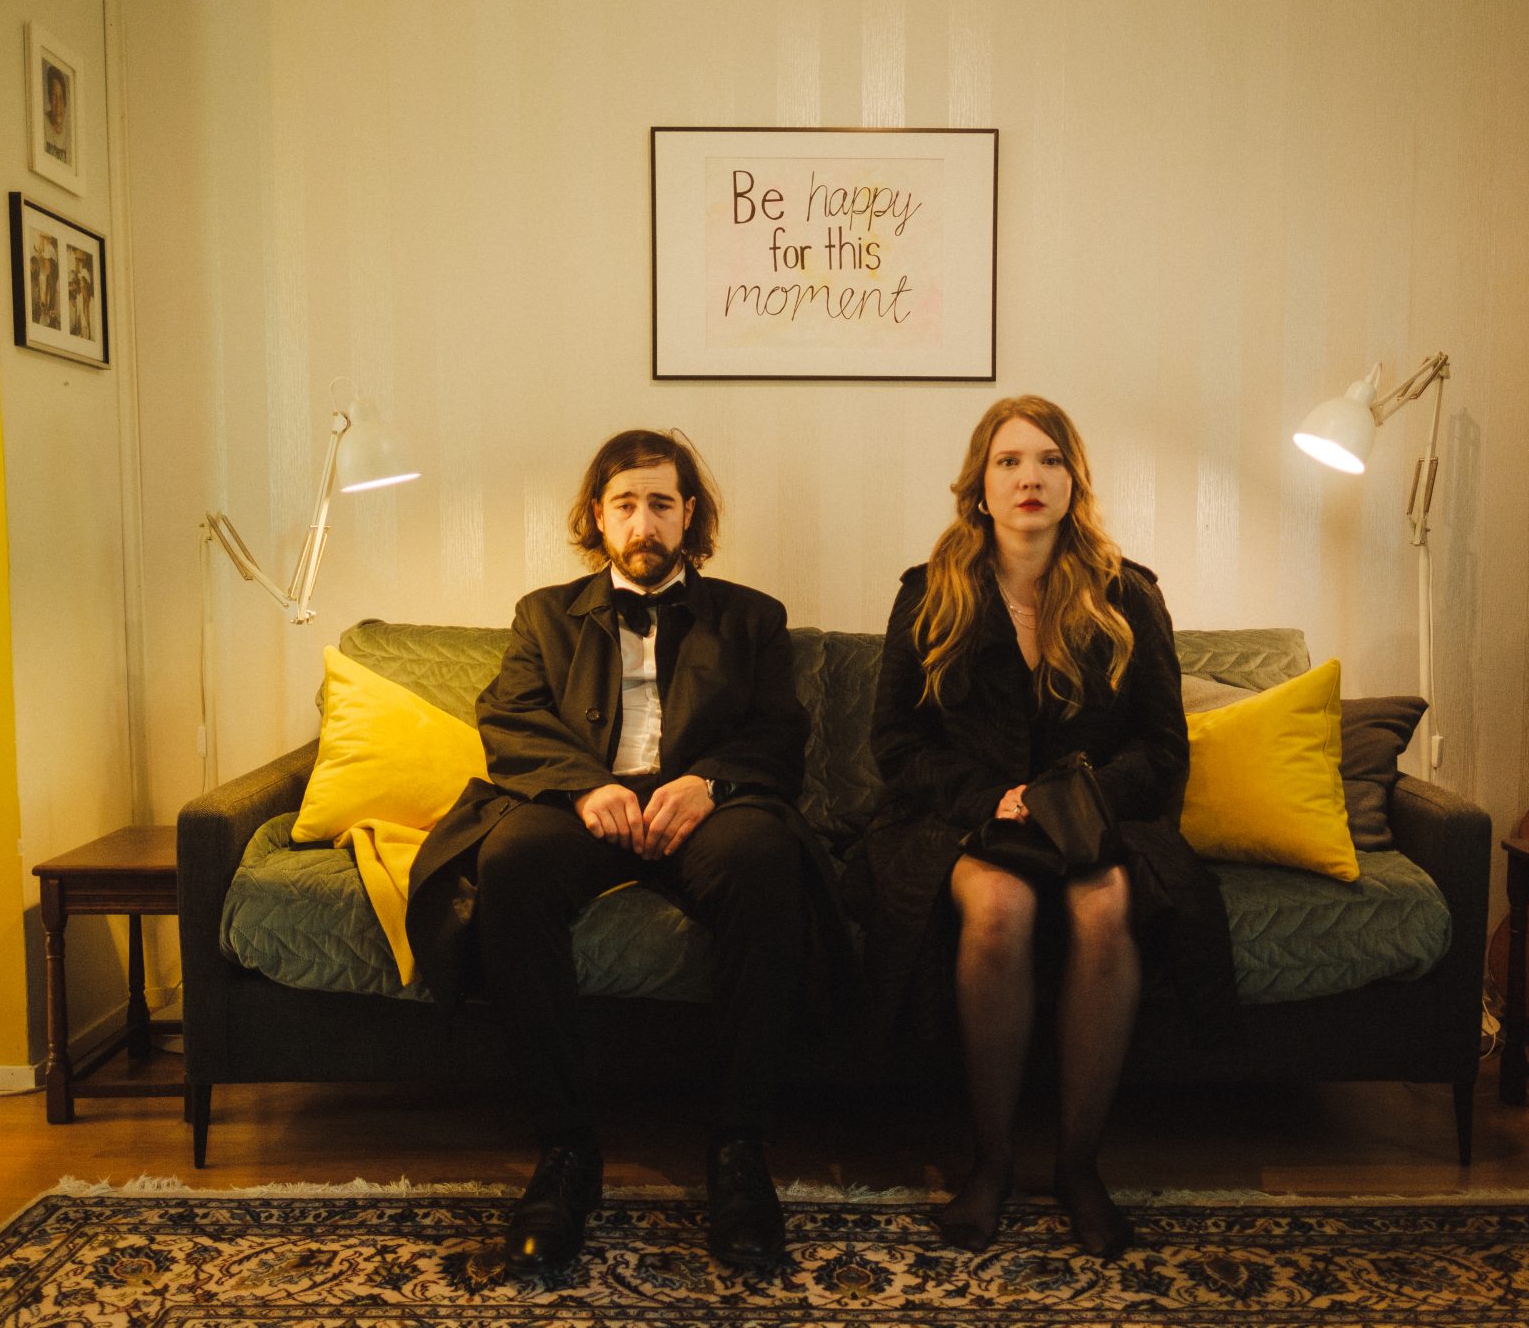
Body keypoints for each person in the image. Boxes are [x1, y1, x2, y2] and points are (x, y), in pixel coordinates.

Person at [406, 429, 844, 1276]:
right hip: (585, 805)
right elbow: (509, 718)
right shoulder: (542, 614)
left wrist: (708, 782)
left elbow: (779, 734)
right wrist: (583, 785)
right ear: (598, 517)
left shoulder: (754, 617)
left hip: (705, 808)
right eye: (626, 504)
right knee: (510, 862)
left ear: (689, 515)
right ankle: (566, 1149)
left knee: (765, 861)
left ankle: (739, 1149)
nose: (644, 523)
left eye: (661, 504)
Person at [858, 395, 1236, 1259]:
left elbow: (1163, 746)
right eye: (1009, 460)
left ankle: (1078, 1165)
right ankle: (990, 1162)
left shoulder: (1128, 593)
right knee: (1000, 908)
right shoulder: (928, 593)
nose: (1030, 476)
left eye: (1049, 459)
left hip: (1095, 819)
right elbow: (895, 741)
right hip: (963, 820)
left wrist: (1083, 794)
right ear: (980, 485)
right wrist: (987, 795)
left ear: (1074, 481)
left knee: (1105, 910)